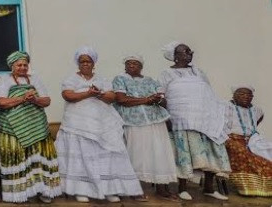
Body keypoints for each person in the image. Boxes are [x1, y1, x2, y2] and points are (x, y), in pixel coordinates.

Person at [56, 47, 142, 202]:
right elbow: (68, 95)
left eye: (88, 61)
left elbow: (112, 97)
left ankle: (109, 189)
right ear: (78, 63)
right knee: (81, 157)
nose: (85, 64)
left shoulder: (102, 79)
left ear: (93, 63)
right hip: (77, 124)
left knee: (106, 156)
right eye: (82, 61)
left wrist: (100, 93)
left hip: (102, 124)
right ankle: (81, 190)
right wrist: (88, 93)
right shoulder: (71, 79)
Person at [159, 41, 230, 201]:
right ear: (176, 56)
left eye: (190, 51)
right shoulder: (166, 73)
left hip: (205, 118)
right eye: (186, 51)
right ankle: (182, 188)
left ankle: (209, 188)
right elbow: (162, 96)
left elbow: (207, 92)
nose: (190, 54)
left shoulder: (199, 71)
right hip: (181, 119)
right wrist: (166, 116)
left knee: (212, 150)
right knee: (184, 153)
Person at [0, 51, 60, 203]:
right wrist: (23, 98)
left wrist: (35, 99)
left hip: (37, 127)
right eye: (19, 65)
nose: (23, 67)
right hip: (11, 129)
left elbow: (47, 101)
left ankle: (44, 191)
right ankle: (18, 194)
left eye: (25, 64)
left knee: (39, 158)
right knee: (18, 158)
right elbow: (2, 103)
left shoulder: (35, 78)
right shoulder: (4, 80)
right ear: (12, 66)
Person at [112, 55, 179, 201]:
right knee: (137, 154)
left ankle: (162, 187)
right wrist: (148, 99)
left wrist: (159, 99)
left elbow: (162, 99)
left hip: (156, 120)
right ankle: (134, 189)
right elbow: (121, 100)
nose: (131, 66)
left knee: (160, 153)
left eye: (135, 63)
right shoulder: (120, 79)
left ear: (141, 66)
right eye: (128, 63)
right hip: (133, 121)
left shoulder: (150, 80)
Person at [224, 85, 272, 196]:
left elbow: (258, 120)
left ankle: (264, 189)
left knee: (267, 152)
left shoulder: (256, 110)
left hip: (252, 140)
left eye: (249, 94)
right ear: (234, 95)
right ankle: (246, 188)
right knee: (242, 152)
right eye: (242, 94)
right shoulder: (226, 106)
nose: (246, 96)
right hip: (232, 138)